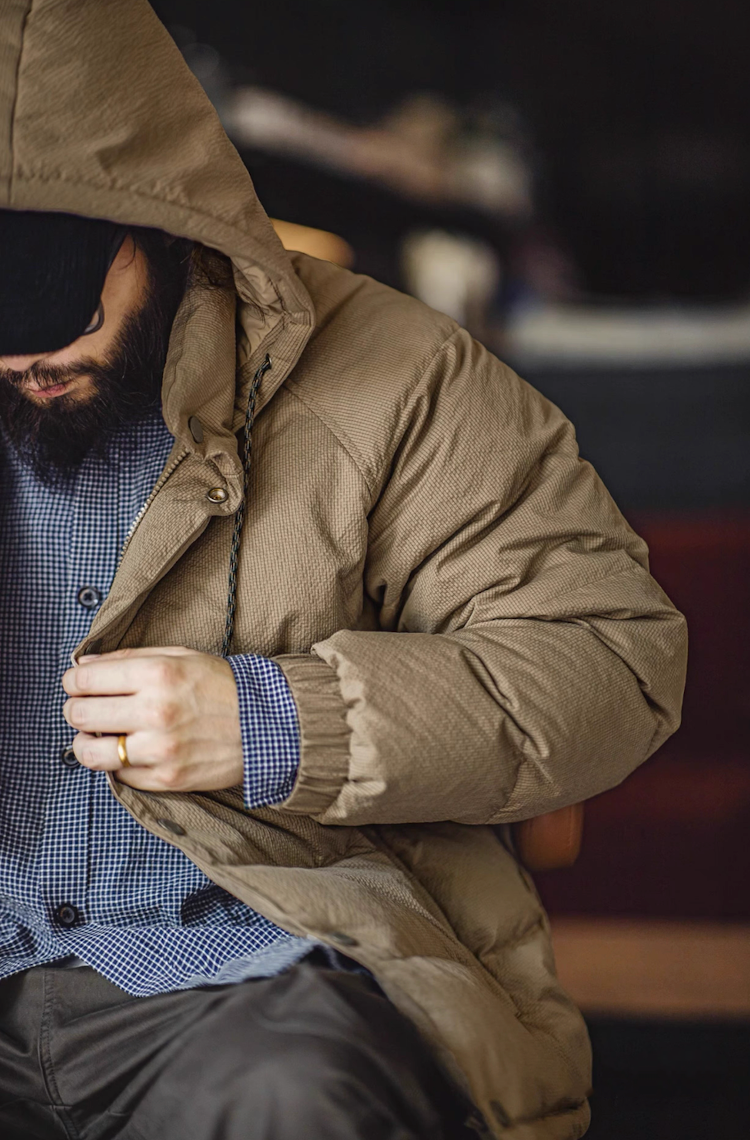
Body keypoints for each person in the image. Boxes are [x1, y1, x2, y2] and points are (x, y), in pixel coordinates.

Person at [0, 3, 687, 1139]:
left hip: (236, 970)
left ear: (162, 221)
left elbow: (611, 663)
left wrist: (279, 723)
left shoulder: (397, 378)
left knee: (294, 1104)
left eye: (57, 306)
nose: (27, 363)